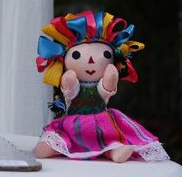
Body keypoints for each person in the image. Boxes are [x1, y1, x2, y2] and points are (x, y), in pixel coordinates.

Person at [34, 10, 168, 162]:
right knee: (62, 136)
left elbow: (105, 90)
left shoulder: (102, 83)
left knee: (109, 137)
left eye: (105, 55)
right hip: (73, 122)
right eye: (77, 56)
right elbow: (70, 92)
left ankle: (115, 150)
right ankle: (52, 146)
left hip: (101, 121)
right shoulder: (73, 81)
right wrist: (69, 80)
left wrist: (110, 78)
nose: (91, 60)